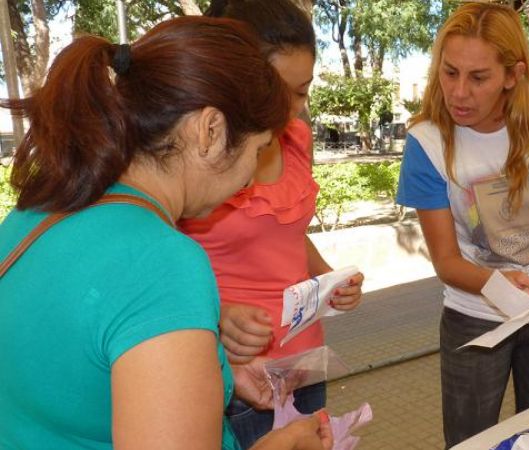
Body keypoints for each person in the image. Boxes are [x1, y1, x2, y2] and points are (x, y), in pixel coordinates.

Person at [0, 16, 332, 450]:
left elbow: (77, 378)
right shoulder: (164, 261)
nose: (252, 178)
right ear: (209, 131)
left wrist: (219, 372)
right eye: (257, 149)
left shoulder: (37, 211)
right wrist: (279, 446)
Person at [396, 3, 529, 447]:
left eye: (479, 78)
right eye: (449, 72)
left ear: (512, 75)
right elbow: (447, 261)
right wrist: (498, 283)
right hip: (473, 315)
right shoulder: (427, 141)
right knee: (469, 439)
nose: (459, 92)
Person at [179, 1, 364, 448]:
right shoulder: (191, 159)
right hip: (237, 368)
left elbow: (286, 234)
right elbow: (156, 270)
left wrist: (325, 276)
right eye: (280, 91)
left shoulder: (296, 137)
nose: (292, 109)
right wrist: (216, 316)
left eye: (303, 92)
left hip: (302, 359)